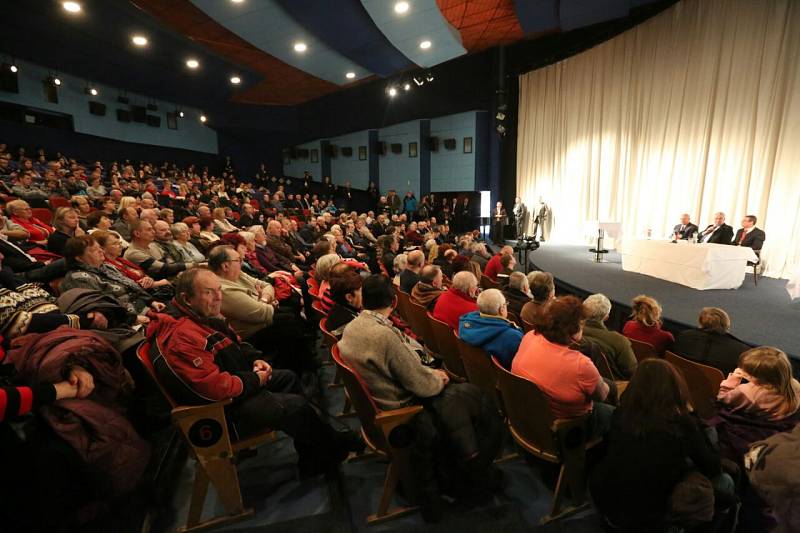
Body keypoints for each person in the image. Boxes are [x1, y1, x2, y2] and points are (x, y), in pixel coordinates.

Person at [147, 268, 362, 478]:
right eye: (208, 292)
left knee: (288, 377)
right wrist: (253, 379)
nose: (218, 297)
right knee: (295, 406)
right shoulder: (180, 337)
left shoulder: (200, 315)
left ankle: (313, 458)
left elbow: (235, 342)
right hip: (220, 412)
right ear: (187, 298)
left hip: (235, 382)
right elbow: (212, 388)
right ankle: (333, 445)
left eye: (219, 290)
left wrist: (255, 359)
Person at [338, 275, 503, 521]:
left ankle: (473, 463)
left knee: (466, 400)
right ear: (394, 301)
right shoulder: (383, 336)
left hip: (380, 407)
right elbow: (423, 386)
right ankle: (476, 468)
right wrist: (440, 378)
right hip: (400, 415)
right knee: (473, 399)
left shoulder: (352, 327)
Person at [590, 359, 730, 530]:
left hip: (605, 503)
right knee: (725, 481)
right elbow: (713, 468)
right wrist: (693, 418)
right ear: (675, 389)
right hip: (648, 518)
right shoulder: (681, 424)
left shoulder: (621, 413)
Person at [512, 296, 612, 434]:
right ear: (574, 329)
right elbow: (602, 395)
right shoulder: (580, 365)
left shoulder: (530, 336)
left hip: (530, 415)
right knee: (614, 412)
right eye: (581, 323)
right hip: (568, 428)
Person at [673, 307, 750, 375]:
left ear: (701, 322)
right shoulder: (740, 351)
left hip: (682, 381)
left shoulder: (684, 336)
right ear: (727, 325)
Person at [458, 289, 523, 368]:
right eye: (506, 304)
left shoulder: (465, 323)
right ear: (501, 309)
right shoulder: (513, 336)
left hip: (475, 371)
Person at [582, 294, 637, 380]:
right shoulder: (619, 341)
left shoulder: (569, 330)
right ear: (606, 317)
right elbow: (632, 371)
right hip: (610, 385)